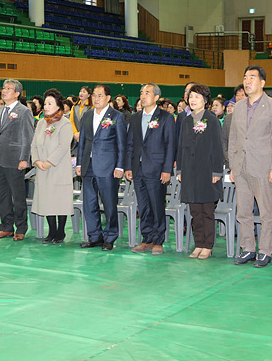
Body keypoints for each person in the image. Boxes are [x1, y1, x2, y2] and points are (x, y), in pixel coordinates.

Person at [229, 65, 272, 267]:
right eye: (245, 77)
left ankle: (265, 251)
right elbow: (234, 138)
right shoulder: (239, 106)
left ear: (262, 82)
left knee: (265, 212)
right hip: (241, 166)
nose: (247, 81)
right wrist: (232, 166)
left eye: (252, 77)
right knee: (243, 211)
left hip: (262, 167)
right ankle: (248, 249)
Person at [125, 83, 175, 255]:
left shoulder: (166, 118)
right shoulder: (136, 117)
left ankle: (159, 240)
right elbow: (130, 143)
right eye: (141, 93)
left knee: (157, 205)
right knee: (143, 206)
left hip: (156, 169)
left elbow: (170, 145)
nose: (143, 95)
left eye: (147, 93)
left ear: (156, 97)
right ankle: (147, 239)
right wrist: (129, 166)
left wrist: (167, 169)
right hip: (138, 169)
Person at [176, 84, 224, 259]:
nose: (193, 100)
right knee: (195, 211)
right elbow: (180, 147)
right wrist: (180, 168)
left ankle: (208, 245)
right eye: (191, 97)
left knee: (207, 211)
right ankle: (198, 244)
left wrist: (217, 172)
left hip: (207, 171)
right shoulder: (186, 121)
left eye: (197, 97)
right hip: (190, 172)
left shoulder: (211, 120)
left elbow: (218, 147)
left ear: (205, 100)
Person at [76, 84, 126, 250]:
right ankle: (94, 236)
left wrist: (120, 166)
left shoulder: (117, 116)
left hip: (108, 166)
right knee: (89, 203)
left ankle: (110, 236)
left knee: (109, 203)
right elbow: (82, 141)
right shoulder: (87, 115)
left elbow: (121, 144)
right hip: (88, 165)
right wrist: (79, 163)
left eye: (100, 95)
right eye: (94, 96)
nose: (96, 99)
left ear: (108, 98)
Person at [0, 79, 35, 241]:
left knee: (18, 196)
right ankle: (6, 227)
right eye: (3, 88)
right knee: (2, 196)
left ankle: (21, 228)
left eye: (9, 88)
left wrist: (24, 159)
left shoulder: (24, 111)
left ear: (17, 93)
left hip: (15, 160)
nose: (4, 90)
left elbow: (28, 138)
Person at [31, 89, 74, 244]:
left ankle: (60, 232)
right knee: (47, 200)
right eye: (45, 103)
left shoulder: (65, 123)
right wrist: (37, 161)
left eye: (50, 103)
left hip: (58, 168)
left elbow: (63, 146)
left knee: (59, 201)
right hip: (42, 169)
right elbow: (34, 144)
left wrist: (48, 162)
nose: (46, 106)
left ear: (58, 106)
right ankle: (52, 231)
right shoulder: (41, 123)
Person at [221, 97, 236, 168]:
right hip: (229, 160)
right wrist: (226, 154)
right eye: (228, 106)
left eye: (232, 106)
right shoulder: (227, 119)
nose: (229, 108)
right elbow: (223, 139)